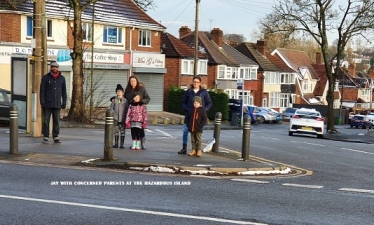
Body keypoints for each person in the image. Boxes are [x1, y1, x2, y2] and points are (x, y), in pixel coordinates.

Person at [178, 76, 212, 154]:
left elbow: (209, 103)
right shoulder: (188, 91)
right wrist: (186, 109)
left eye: (197, 82)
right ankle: (184, 148)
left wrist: (204, 109)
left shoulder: (204, 92)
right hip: (189, 116)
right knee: (186, 131)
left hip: (198, 117)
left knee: (197, 134)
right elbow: (183, 102)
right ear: (192, 82)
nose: (195, 83)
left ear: (200, 83)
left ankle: (198, 150)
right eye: (194, 82)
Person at [40, 61, 67, 144]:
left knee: (56, 121)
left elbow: (64, 91)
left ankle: (56, 137)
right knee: (46, 121)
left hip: (57, 103)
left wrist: (64, 102)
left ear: (58, 68)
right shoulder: (45, 78)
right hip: (47, 103)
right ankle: (46, 137)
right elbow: (42, 91)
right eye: (53, 67)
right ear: (50, 68)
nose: (54, 68)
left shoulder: (62, 78)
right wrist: (42, 102)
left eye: (56, 67)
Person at [124, 76, 150, 149]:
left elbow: (147, 98)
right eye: (131, 81)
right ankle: (134, 143)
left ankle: (142, 143)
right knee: (133, 130)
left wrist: (142, 102)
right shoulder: (127, 90)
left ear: (137, 81)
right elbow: (125, 99)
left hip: (140, 112)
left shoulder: (141, 89)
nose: (133, 82)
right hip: (131, 111)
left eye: (134, 81)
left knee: (140, 129)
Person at [110, 84, 127, 148]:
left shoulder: (125, 100)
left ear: (123, 93)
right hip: (116, 118)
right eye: (118, 91)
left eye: (120, 91)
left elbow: (127, 109)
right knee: (116, 131)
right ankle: (116, 143)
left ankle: (122, 144)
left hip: (123, 118)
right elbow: (111, 108)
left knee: (122, 131)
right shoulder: (114, 100)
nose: (119, 93)